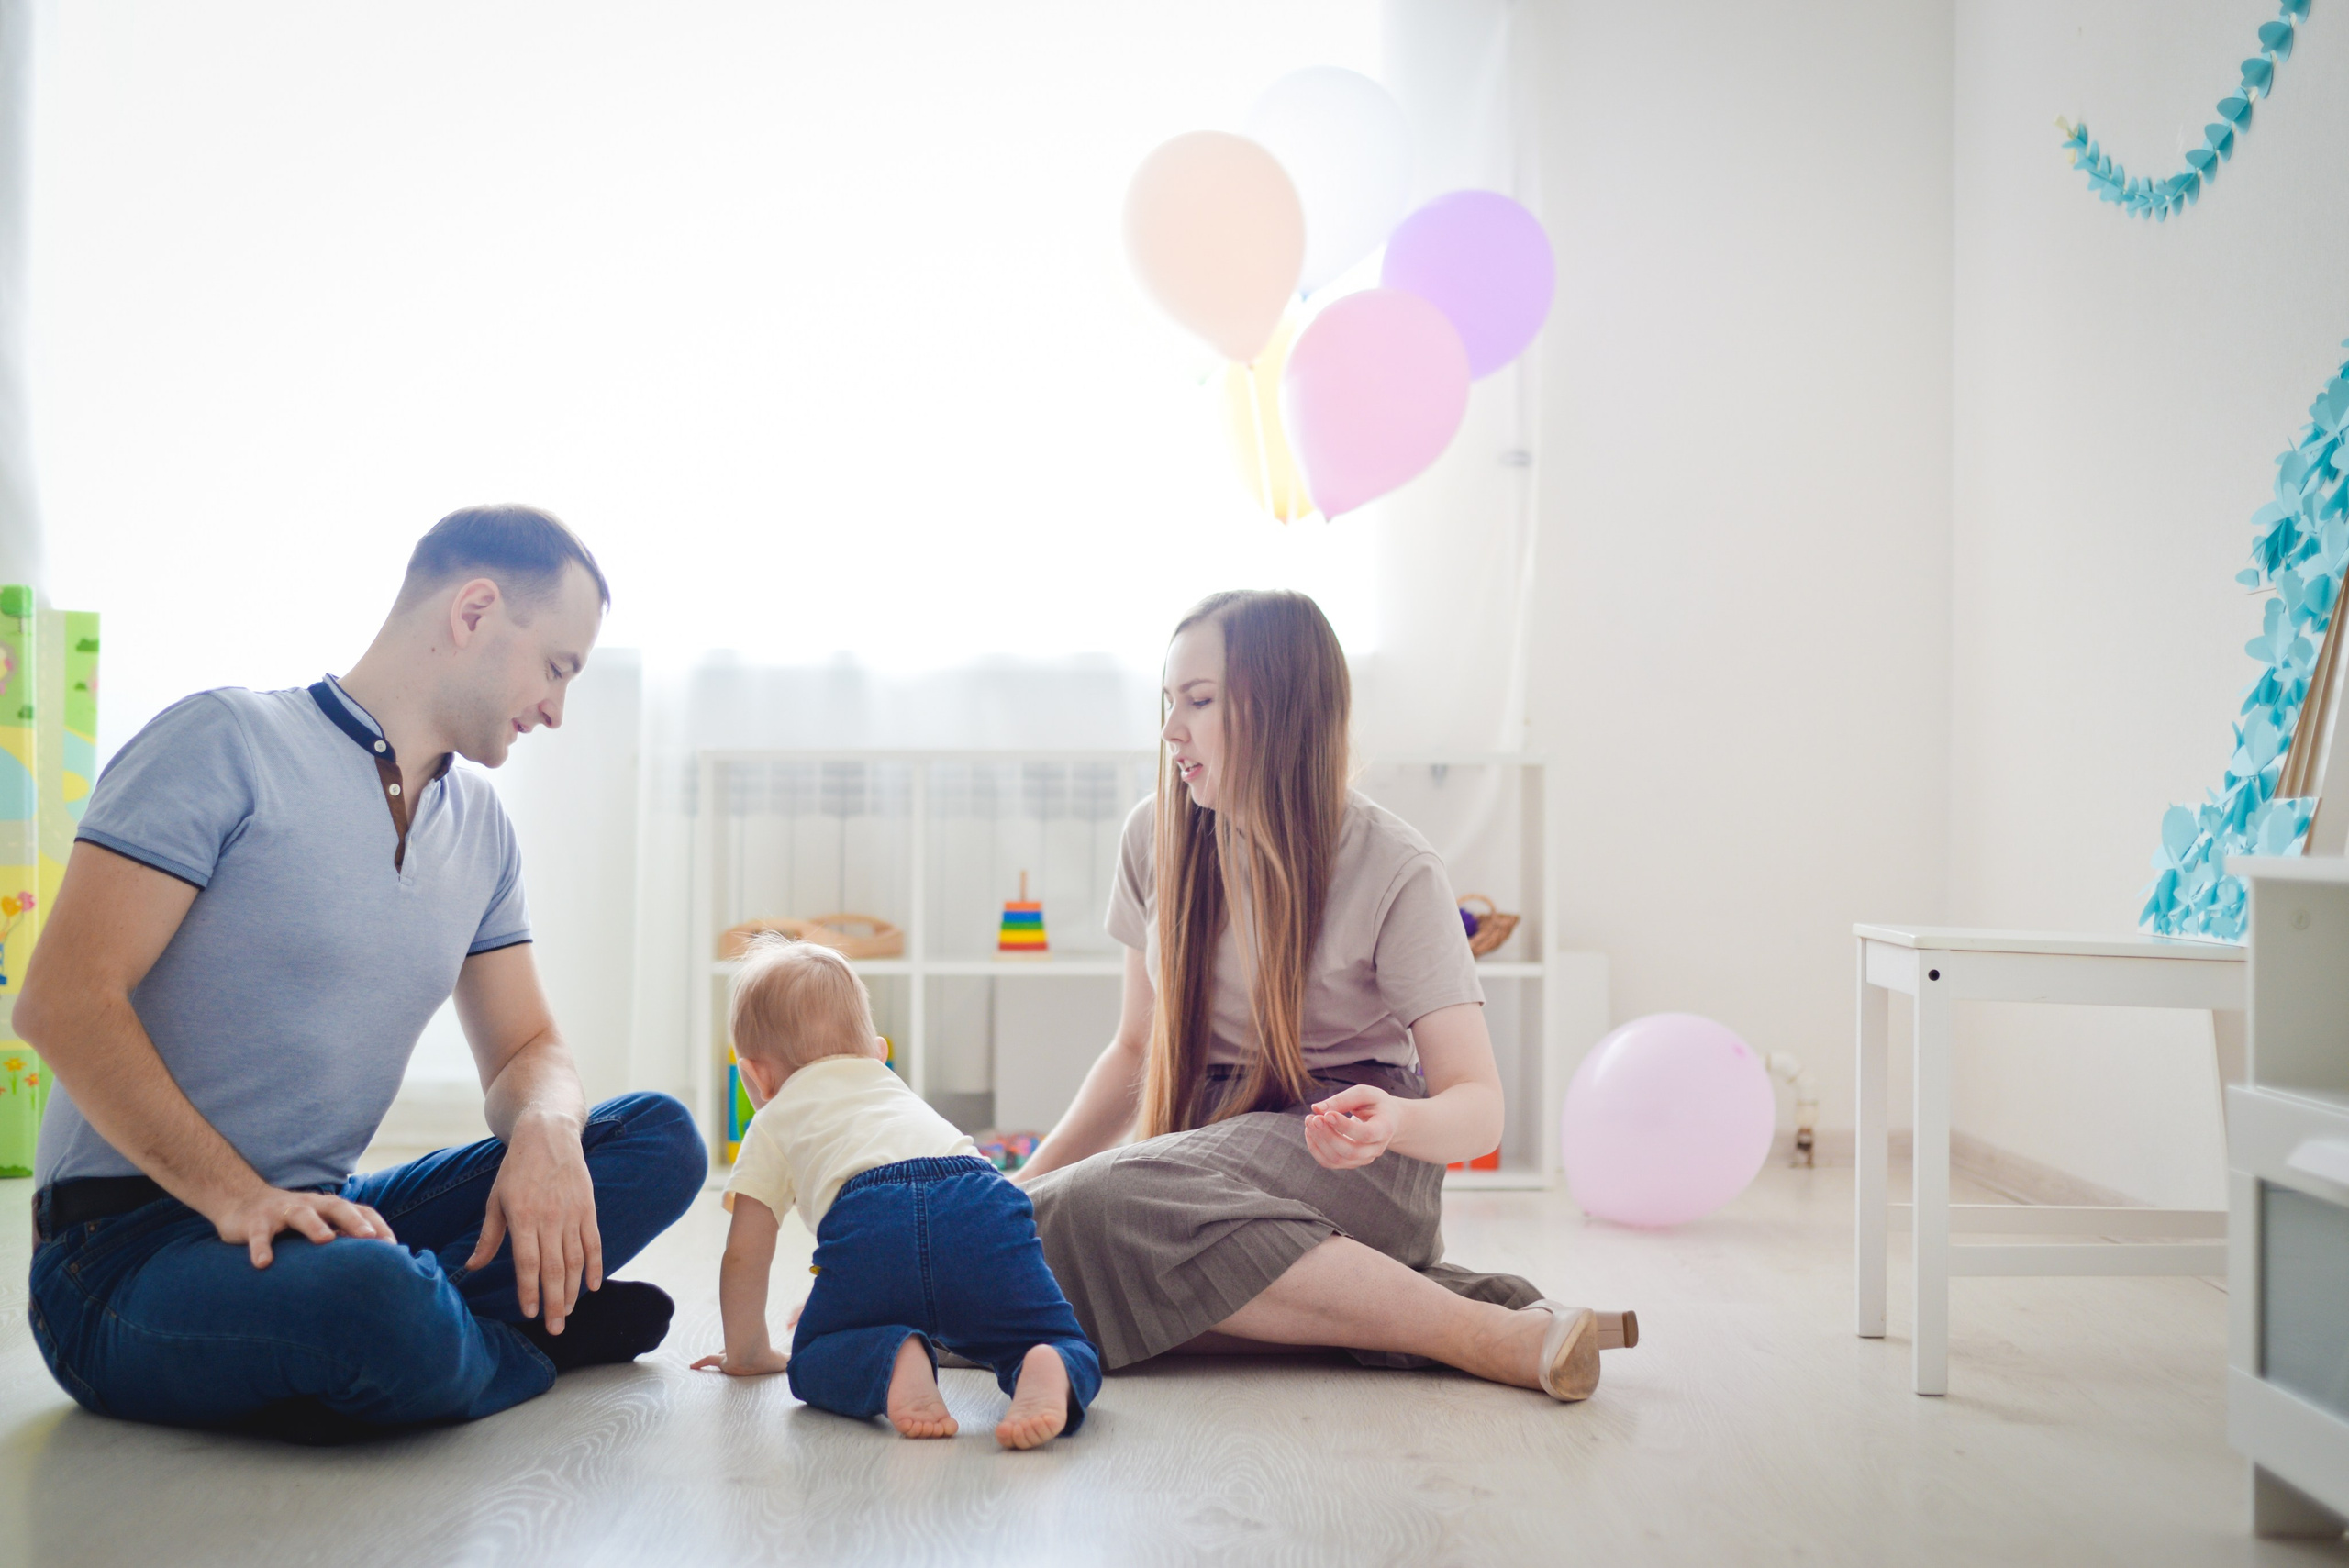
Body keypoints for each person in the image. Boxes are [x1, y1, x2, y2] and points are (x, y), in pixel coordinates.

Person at [20, 505, 707, 1439]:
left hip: (323, 1218)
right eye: (557, 666)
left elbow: (528, 1045)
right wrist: (240, 1195)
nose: (556, 707)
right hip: (125, 1251)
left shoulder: (482, 830)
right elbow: (62, 1001)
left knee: (659, 1138)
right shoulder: (224, 741)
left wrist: (546, 1123)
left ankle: (440, 1327)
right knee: (371, 1305)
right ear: (473, 611)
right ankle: (508, 1337)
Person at [1018, 589, 1638, 1400]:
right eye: (1169, 702)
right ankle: (1463, 1312)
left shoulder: (1393, 866)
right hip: (1198, 1164)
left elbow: (1479, 1105)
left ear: (1280, 709)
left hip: (1358, 1157)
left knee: (1099, 1204)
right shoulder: (1154, 836)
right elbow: (1135, 1047)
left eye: (1199, 701)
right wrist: (1015, 1192)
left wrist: (1395, 1123)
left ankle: (1487, 1338)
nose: (1172, 730)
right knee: (1041, 1238)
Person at [693, 937, 1099, 1449]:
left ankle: (893, 1360)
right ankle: (1047, 1362)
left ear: (754, 1074)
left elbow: (745, 1253)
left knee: (814, 1357)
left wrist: (748, 1353)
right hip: (982, 1199)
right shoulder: (891, 1087)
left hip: (870, 1220)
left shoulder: (773, 1119)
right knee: (1056, 1335)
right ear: (879, 1053)